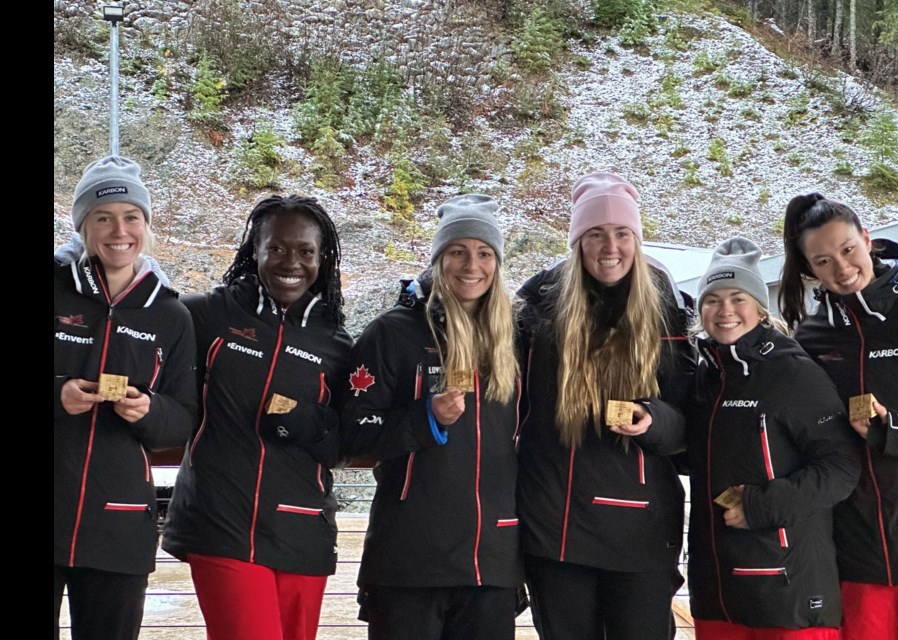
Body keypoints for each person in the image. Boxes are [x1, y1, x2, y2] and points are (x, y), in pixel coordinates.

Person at [161, 195, 353, 640]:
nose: (292, 262)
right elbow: (143, 334)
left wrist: (313, 424)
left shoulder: (337, 343)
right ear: (255, 251)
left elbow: (350, 441)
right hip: (222, 524)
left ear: (322, 258)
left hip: (303, 529)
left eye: (306, 251)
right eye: (277, 248)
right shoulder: (207, 315)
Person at [514, 172, 697, 640]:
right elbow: (506, 402)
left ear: (636, 238)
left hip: (641, 528)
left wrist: (654, 421)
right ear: (577, 241)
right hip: (555, 525)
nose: (609, 247)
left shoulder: (667, 307)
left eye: (621, 234)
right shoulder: (538, 305)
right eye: (595, 234)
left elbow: (693, 424)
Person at [340, 195, 523, 640]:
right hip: (409, 560)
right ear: (439, 258)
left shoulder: (516, 336)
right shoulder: (394, 331)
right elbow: (351, 433)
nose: (471, 265)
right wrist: (425, 419)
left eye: (484, 253)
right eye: (457, 251)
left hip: (492, 562)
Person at [685, 236, 861, 640]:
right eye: (712, 300)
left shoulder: (794, 373)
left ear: (760, 308)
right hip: (717, 589)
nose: (725, 311)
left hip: (789, 590)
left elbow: (841, 467)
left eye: (737, 298)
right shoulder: (706, 377)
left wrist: (762, 506)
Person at [54, 155, 198, 640]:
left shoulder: (171, 314)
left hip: (119, 525)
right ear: (83, 227)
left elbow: (182, 419)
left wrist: (148, 411)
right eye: (103, 217)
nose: (120, 230)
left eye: (131, 216)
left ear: (146, 224)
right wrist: (58, 395)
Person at [779, 194, 898, 640]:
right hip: (859, 541)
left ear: (867, 240)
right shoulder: (811, 337)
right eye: (824, 260)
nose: (842, 268)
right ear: (811, 269)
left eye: (848, 249)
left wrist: (892, 429)